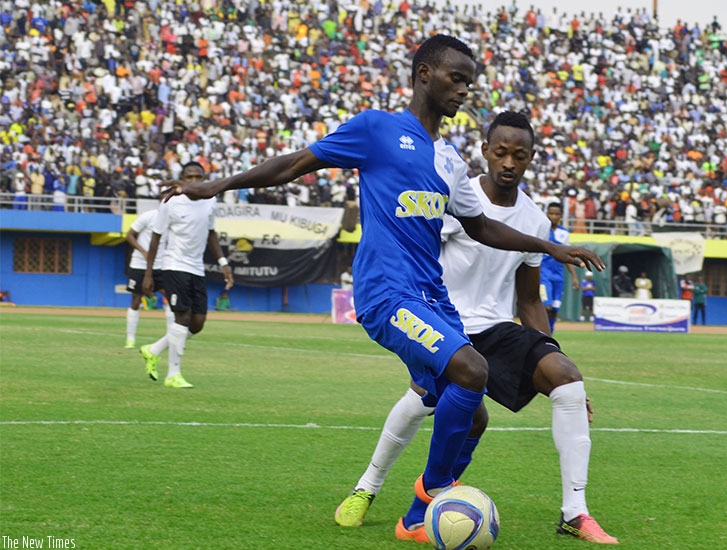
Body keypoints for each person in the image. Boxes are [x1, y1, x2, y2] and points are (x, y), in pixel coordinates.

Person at [161, 35, 604, 538]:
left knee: (473, 416)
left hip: (432, 299)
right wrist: (214, 185)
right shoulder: (376, 129)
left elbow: (480, 226)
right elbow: (293, 165)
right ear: (422, 75)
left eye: (469, 83)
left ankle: (415, 519)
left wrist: (548, 247)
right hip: (386, 295)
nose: (463, 90)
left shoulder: (451, 160)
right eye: (455, 79)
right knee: (472, 368)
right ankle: (432, 495)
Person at [333, 111, 617, 544]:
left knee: (567, 381)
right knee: (435, 404)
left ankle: (574, 512)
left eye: (519, 156)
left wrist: (552, 352)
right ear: (484, 152)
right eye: (500, 152)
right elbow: (418, 251)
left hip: (496, 327)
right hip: (440, 318)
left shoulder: (536, 221)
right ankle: (366, 487)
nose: (508, 162)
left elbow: (528, 300)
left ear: (530, 159)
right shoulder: (452, 196)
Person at [140, 161, 234, 389]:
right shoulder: (169, 203)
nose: (194, 181)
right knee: (181, 317)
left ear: (204, 179)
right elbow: (156, 238)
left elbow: (211, 233)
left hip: (196, 267)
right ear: (181, 179)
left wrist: (223, 262)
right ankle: (173, 374)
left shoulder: (211, 201)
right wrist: (149, 273)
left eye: (198, 177)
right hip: (174, 265)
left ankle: (153, 350)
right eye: (189, 177)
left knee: (198, 322)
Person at [124, 203, 173, 349]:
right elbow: (129, 235)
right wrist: (143, 252)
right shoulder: (148, 216)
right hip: (139, 264)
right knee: (136, 299)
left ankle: (172, 338)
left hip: (160, 265)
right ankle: (130, 338)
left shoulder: (173, 220)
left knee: (171, 297)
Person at [540, 202, 580, 334]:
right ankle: (542, 334)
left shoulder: (564, 233)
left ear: (561, 216)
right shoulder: (541, 230)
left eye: (557, 214)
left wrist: (574, 276)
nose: (554, 216)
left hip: (558, 275)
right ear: (546, 214)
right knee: (547, 306)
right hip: (543, 274)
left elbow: (566, 256)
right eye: (551, 213)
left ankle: (549, 336)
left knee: (555, 309)